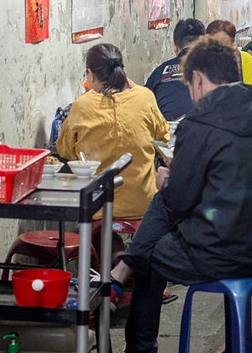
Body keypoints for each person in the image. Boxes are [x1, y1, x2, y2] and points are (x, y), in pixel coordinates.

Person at [109, 39, 252, 353]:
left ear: (198, 79)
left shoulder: (200, 121)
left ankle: (138, 345)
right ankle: (122, 268)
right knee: (169, 204)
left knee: (151, 246)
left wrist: (170, 179)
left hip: (221, 252)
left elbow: (179, 200)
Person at [56, 43, 169, 221]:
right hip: (143, 206)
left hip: (98, 209)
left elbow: (65, 150)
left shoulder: (82, 105)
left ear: (90, 75)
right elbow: (163, 139)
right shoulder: (145, 97)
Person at [143, 18, 205, 120]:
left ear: (175, 47)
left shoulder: (160, 72)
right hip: (208, 132)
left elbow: (144, 103)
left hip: (169, 132)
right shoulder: (216, 69)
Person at [205, 19, 252, 86]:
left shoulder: (244, 59)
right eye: (215, 45)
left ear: (232, 43)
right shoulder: (200, 62)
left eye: (225, 45)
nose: (220, 50)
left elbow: (250, 92)